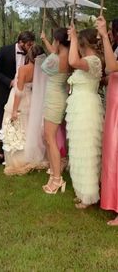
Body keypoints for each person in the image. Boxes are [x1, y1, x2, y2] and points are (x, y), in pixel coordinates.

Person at [66, 25, 103, 209]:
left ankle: (89, 194)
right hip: (79, 108)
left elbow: (72, 61)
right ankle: (81, 191)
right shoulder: (88, 59)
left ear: (82, 43)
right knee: (78, 149)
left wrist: (72, 38)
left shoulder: (94, 61)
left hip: (87, 109)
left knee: (87, 151)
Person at [0, 31, 35, 165]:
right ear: (20, 42)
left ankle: (18, 152)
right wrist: (9, 82)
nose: (30, 46)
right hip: (3, 90)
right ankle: (1, 153)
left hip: (22, 94)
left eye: (31, 44)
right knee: (2, 121)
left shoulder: (31, 54)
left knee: (20, 121)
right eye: (28, 44)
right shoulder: (4, 50)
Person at [0, 44, 46, 175]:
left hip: (19, 100)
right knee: (28, 128)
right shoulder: (42, 70)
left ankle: (19, 159)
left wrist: (14, 110)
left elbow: (19, 92)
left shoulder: (23, 69)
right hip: (32, 100)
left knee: (17, 128)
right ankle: (31, 155)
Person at [41, 28, 70, 194]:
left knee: (50, 138)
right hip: (58, 96)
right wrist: (49, 41)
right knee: (49, 137)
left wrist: (49, 43)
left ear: (58, 41)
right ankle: (54, 173)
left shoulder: (56, 58)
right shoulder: (69, 56)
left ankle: (57, 179)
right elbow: (54, 53)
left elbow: (44, 67)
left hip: (54, 99)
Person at [96, 16, 118, 226]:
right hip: (114, 106)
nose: (110, 33)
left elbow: (113, 66)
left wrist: (103, 36)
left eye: (112, 30)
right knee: (112, 153)